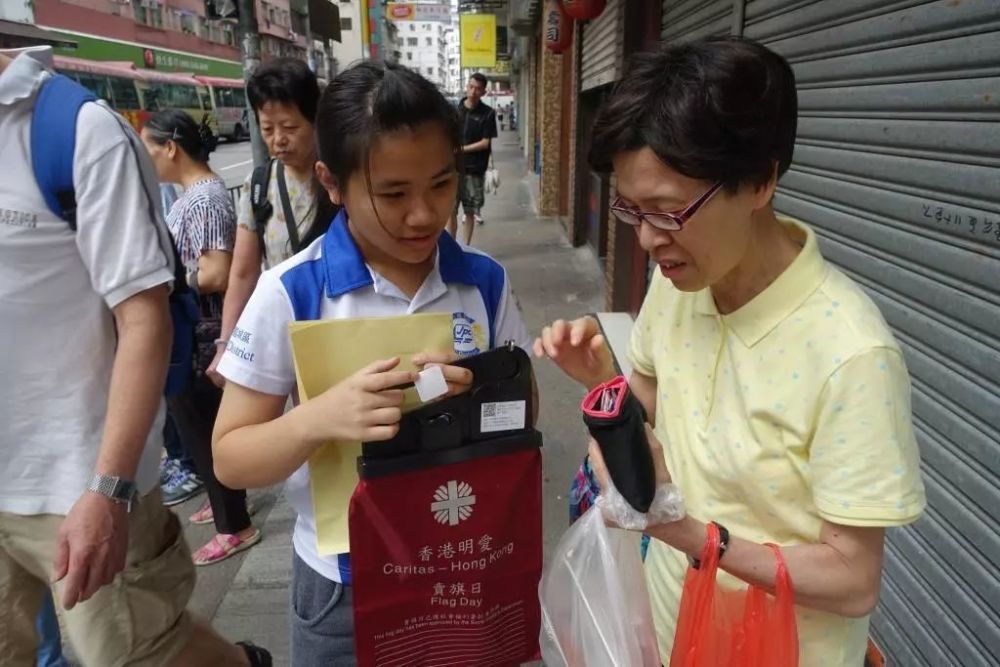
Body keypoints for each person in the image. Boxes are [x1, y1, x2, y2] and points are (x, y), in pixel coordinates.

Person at [534, 37, 926, 666]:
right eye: (632, 210)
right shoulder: (678, 282)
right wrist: (602, 383)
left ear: (761, 180)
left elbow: (853, 581)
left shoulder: (852, 355)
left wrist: (693, 538)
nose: (647, 239)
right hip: (667, 627)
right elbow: (655, 405)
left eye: (668, 211)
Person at [212, 61, 533, 665]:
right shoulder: (292, 291)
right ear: (332, 183)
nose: (424, 214)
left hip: (463, 559)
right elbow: (230, 459)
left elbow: (522, 414)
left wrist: (477, 395)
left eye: (441, 184)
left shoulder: (483, 282)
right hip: (344, 584)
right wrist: (318, 418)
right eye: (393, 194)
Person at [0, 46, 270, 666]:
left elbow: (147, 315)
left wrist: (108, 489)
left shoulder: (74, 131)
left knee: (140, 651)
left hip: (72, 475)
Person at [140, 109, 261, 566]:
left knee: (202, 426)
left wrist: (166, 282)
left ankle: (235, 526)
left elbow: (215, 272)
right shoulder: (195, 194)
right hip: (193, 327)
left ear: (171, 148)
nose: (146, 158)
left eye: (149, 147)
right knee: (199, 428)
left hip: (198, 330)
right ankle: (223, 499)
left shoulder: (205, 198)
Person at [207, 57, 337, 387]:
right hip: (287, 333)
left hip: (342, 327)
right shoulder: (259, 186)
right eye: (268, 129)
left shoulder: (343, 177)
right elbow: (243, 272)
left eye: (290, 127)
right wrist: (225, 344)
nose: (278, 139)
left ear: (315, 120)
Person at [446, 72, 496, 246]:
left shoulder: (488, 114)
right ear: (466, 86)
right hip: (453, 169)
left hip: (474, 170)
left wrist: (461, 150)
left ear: (484, 92)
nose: (473, 91)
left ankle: (466, 248)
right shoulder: (454, 111)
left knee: (469, 211)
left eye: (478, 89)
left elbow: (485, 143)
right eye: (471, 87)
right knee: (450, 210)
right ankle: (452, 247)